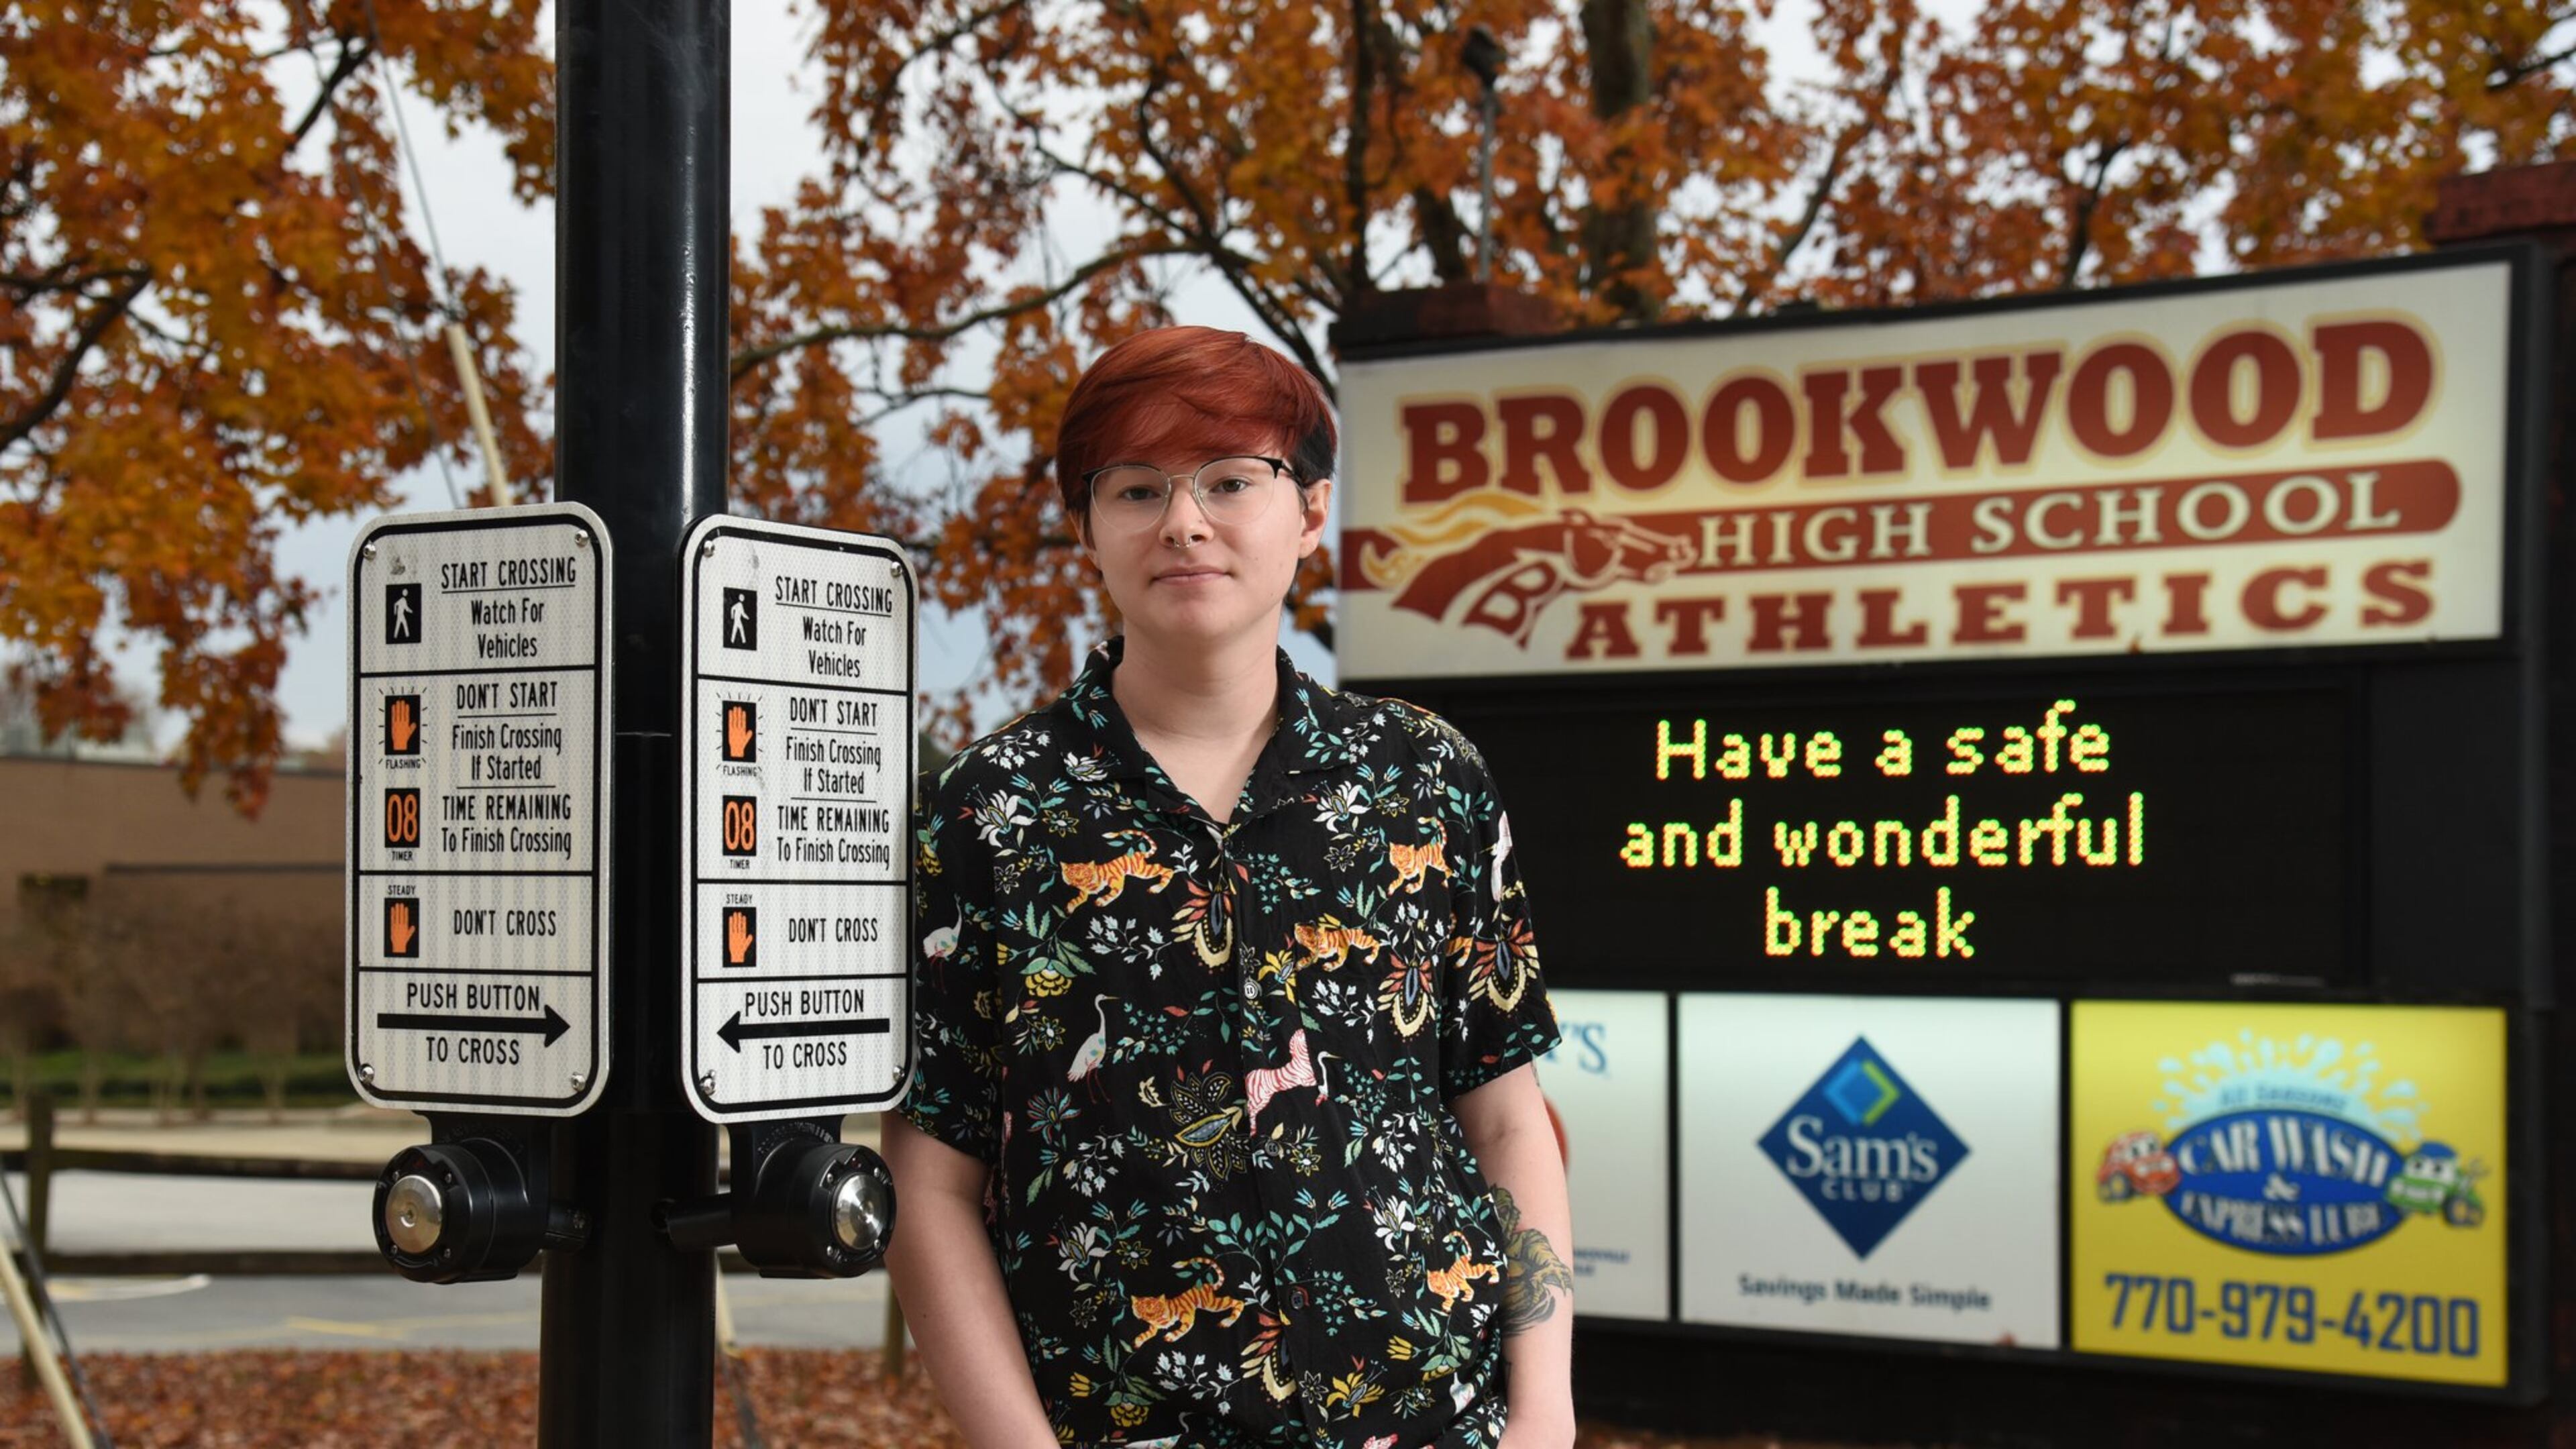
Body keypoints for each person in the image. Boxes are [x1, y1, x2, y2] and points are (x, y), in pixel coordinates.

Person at [885, 325, 1574, 1449]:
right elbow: (933, 1180)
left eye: (1229, 481)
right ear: (1084, 527)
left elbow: (1506, 1116)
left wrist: (1544, 1416)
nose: (1184, 523)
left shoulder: (1424, 776)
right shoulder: (983, 811)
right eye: (1138, 489)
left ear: (1310, 512)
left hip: (1436, 1423)